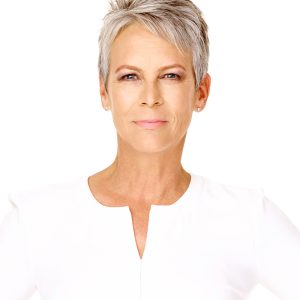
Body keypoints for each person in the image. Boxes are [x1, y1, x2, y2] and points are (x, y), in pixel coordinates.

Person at [1, 0, 300, 299]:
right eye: (130, 76)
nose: (150, 97)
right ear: (104, 92)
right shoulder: (37, 219)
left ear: (201, 92)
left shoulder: (246, 217)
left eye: (170, 75)